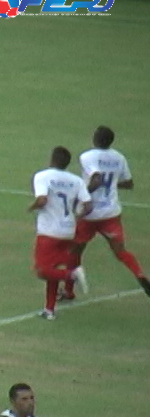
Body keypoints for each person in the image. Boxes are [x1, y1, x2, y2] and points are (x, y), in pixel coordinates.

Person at [71, 126, 150, 297]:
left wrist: (81, 196)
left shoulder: (87, 156)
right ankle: (140, 275)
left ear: (95, 138)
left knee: (75, 250)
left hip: (89, 213)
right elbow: (129, 183)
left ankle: (69, 291)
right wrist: (113, 183)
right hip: (111, 212)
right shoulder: (119, 157)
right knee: (121, 251)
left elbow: (97, 179)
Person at [28, 146, 92, 320]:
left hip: (49, 231)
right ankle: (49, 310)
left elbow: (42, 199)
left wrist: (32, 207)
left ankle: (72, 275)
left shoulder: (42, 176)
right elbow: (88, 205)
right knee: (53, 268)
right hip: (68, 230)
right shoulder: (76, 180)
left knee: (42, 270)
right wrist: (76, 216)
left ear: (52, 159)